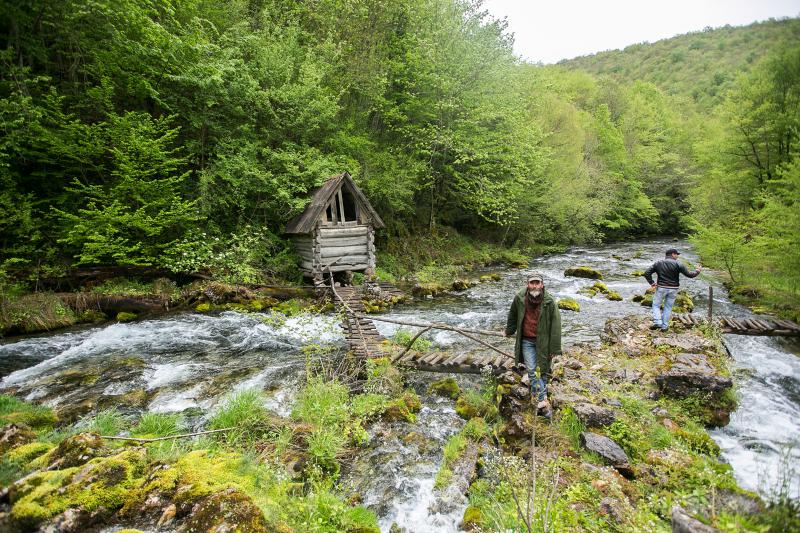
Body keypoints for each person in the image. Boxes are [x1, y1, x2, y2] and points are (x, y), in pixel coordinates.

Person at [505, 273, 562, 416]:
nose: (535, 286)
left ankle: (542, 403)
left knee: (542, 369)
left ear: (542, 285)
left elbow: (556, 326)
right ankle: (542, 400)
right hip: (526, 340)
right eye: (532, 283)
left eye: (537, 283)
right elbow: (512, 315)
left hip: (544, 342)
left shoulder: (549, 302)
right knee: (531, 370)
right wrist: (509, 330)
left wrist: (555, 348)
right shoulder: (519, 298)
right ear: (527, 284)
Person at [643, 248, 702, 331]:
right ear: (673, 254)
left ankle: (657, 322)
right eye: (677, 254)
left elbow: (646, 273)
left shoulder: (658, 263)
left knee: (656, 305)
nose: (677, 256)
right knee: (668, 307)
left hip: (661, 288)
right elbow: (690, 275)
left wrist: (652, 283)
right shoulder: (678, 264)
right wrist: (697, 271)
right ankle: (664, 326)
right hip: (673, 289)